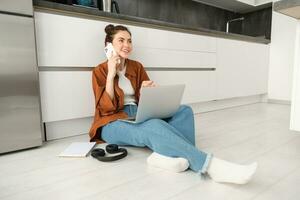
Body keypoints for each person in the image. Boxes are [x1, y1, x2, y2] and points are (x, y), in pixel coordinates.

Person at [89, 24, 257, 184]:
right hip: (111, 122)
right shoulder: (100, 70)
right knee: (153, 125)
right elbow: (105, 108)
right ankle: (211, 166)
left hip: (138, 113)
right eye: (121, 40)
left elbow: (146, 100)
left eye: (129, 40)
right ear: (109, 46)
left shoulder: (136, 66)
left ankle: (168, 157)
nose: (127, 45)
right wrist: (111, 74)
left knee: (184, 111)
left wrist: (146, 90)